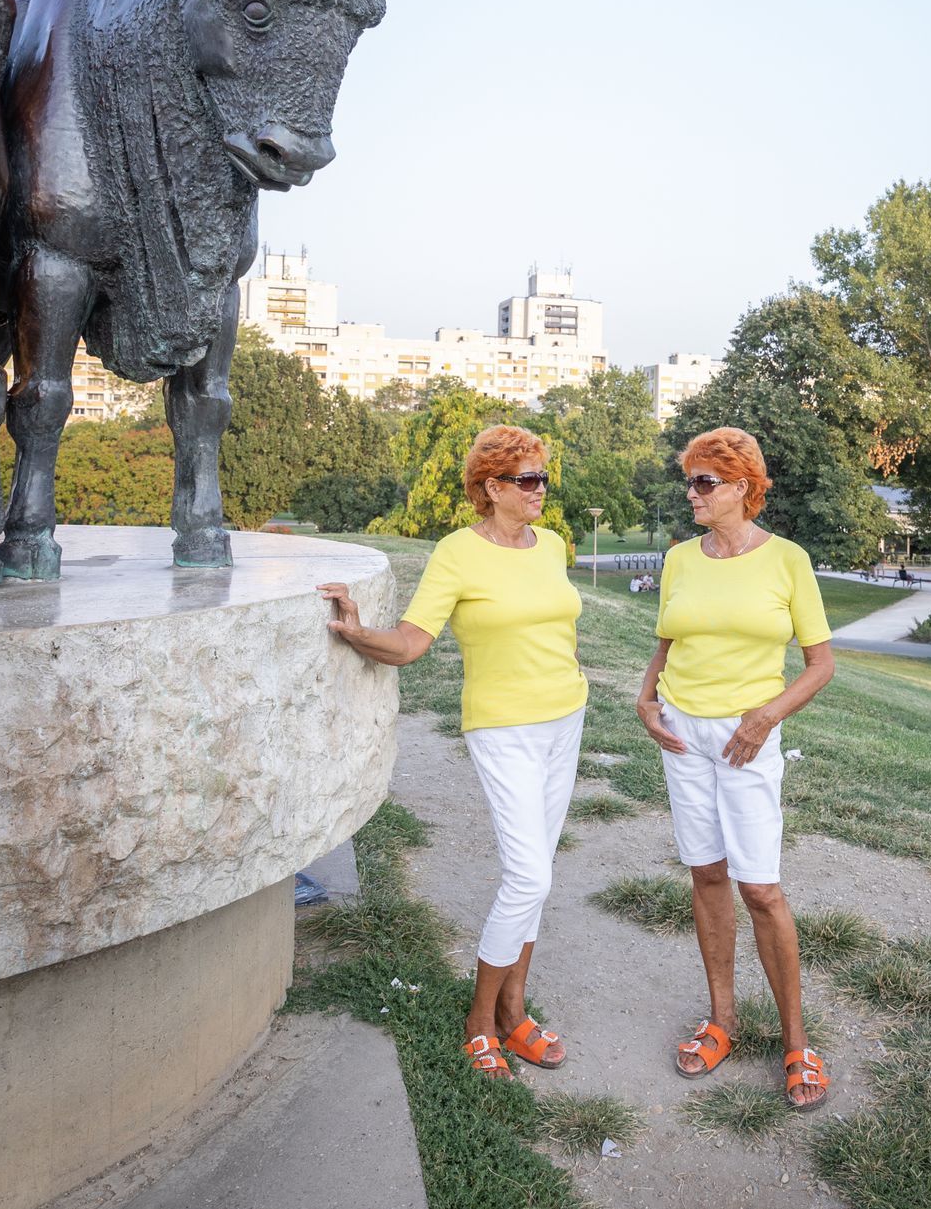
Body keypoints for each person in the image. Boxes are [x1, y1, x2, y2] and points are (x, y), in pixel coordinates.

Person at [320, 425, 586, 1080]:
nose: (540, 490)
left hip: (566, 719)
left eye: (543, 477)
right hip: (502, 728)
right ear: (490, 488)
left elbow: (559, 628)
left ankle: (514, 1013)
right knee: (529, 876)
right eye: (526, 480)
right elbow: (413, 641)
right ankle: (479, 1019)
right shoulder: (457, 553)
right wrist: (357, 633)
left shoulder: (551, 545)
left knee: (538, 876)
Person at [635, 427, 836, 1110]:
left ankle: (796, 1041)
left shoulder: (788, 561)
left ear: (744, 488)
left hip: (748, 738)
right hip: (684, 735)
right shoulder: (679, 559)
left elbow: (821, 664)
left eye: (703, 482)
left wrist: (767, 716)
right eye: (688, 479)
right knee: (707, 873)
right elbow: (669, 639)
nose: (690, 492)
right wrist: (645, 693)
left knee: (761, 889)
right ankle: (723, 1019)